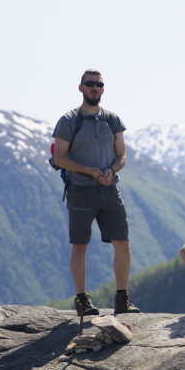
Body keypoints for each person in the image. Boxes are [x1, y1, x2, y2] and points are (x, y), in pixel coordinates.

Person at [52, 69, 140, 316]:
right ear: (80, 88)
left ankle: (122, 298)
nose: (94, 87)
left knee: (122, 243)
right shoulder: (69, 120)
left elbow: (121, 155)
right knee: (80, 245)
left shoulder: (113, 120)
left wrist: (111, 171)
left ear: (103, 88)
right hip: (80, 190)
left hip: (109, 189)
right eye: (89, 84)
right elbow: (59, 158)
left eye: (98, 84)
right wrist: (90, 171)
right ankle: (82, 300)